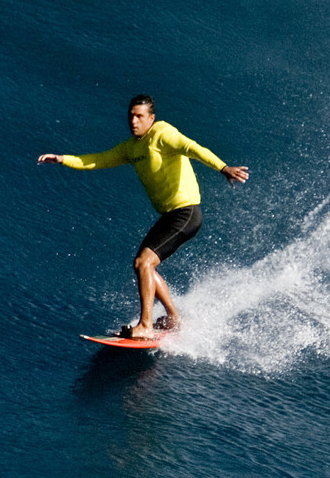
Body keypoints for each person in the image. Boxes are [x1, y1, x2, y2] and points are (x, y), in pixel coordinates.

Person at [39, 96, 248, 337]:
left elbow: (192, 148)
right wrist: (63, 159)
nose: (134, 121)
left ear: (151, 118)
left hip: (186, 212)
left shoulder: (162, 132)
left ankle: (146, 325)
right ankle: (173, 318)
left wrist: (223, 168)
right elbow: (98, 160)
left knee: (143, 263)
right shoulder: (131, 148)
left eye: (139, 116)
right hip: (171, 216)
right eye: (131, 116)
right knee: (143, 266)